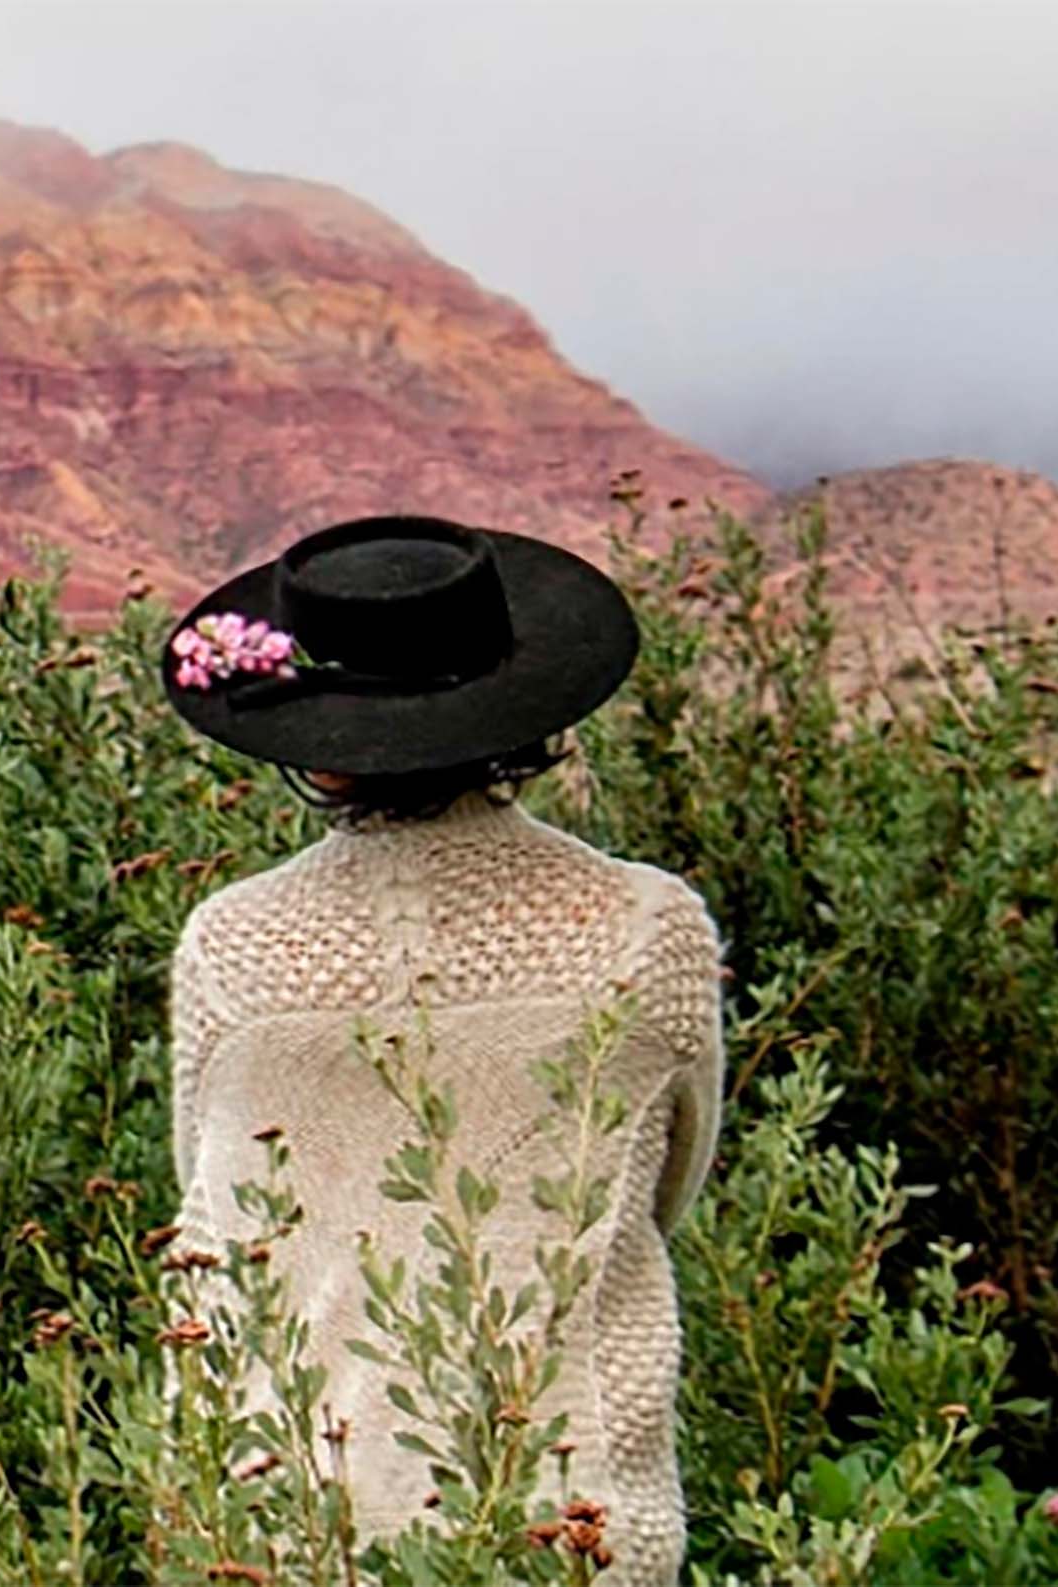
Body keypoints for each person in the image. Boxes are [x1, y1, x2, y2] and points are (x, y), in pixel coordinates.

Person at [159, 514, 725, 1585]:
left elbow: (215, 1200)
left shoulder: (227, 945)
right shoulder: (647, 928)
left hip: (285, 1531)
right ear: (522, 706)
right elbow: (663, 1188)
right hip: (571, 1528)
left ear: (314, 736)